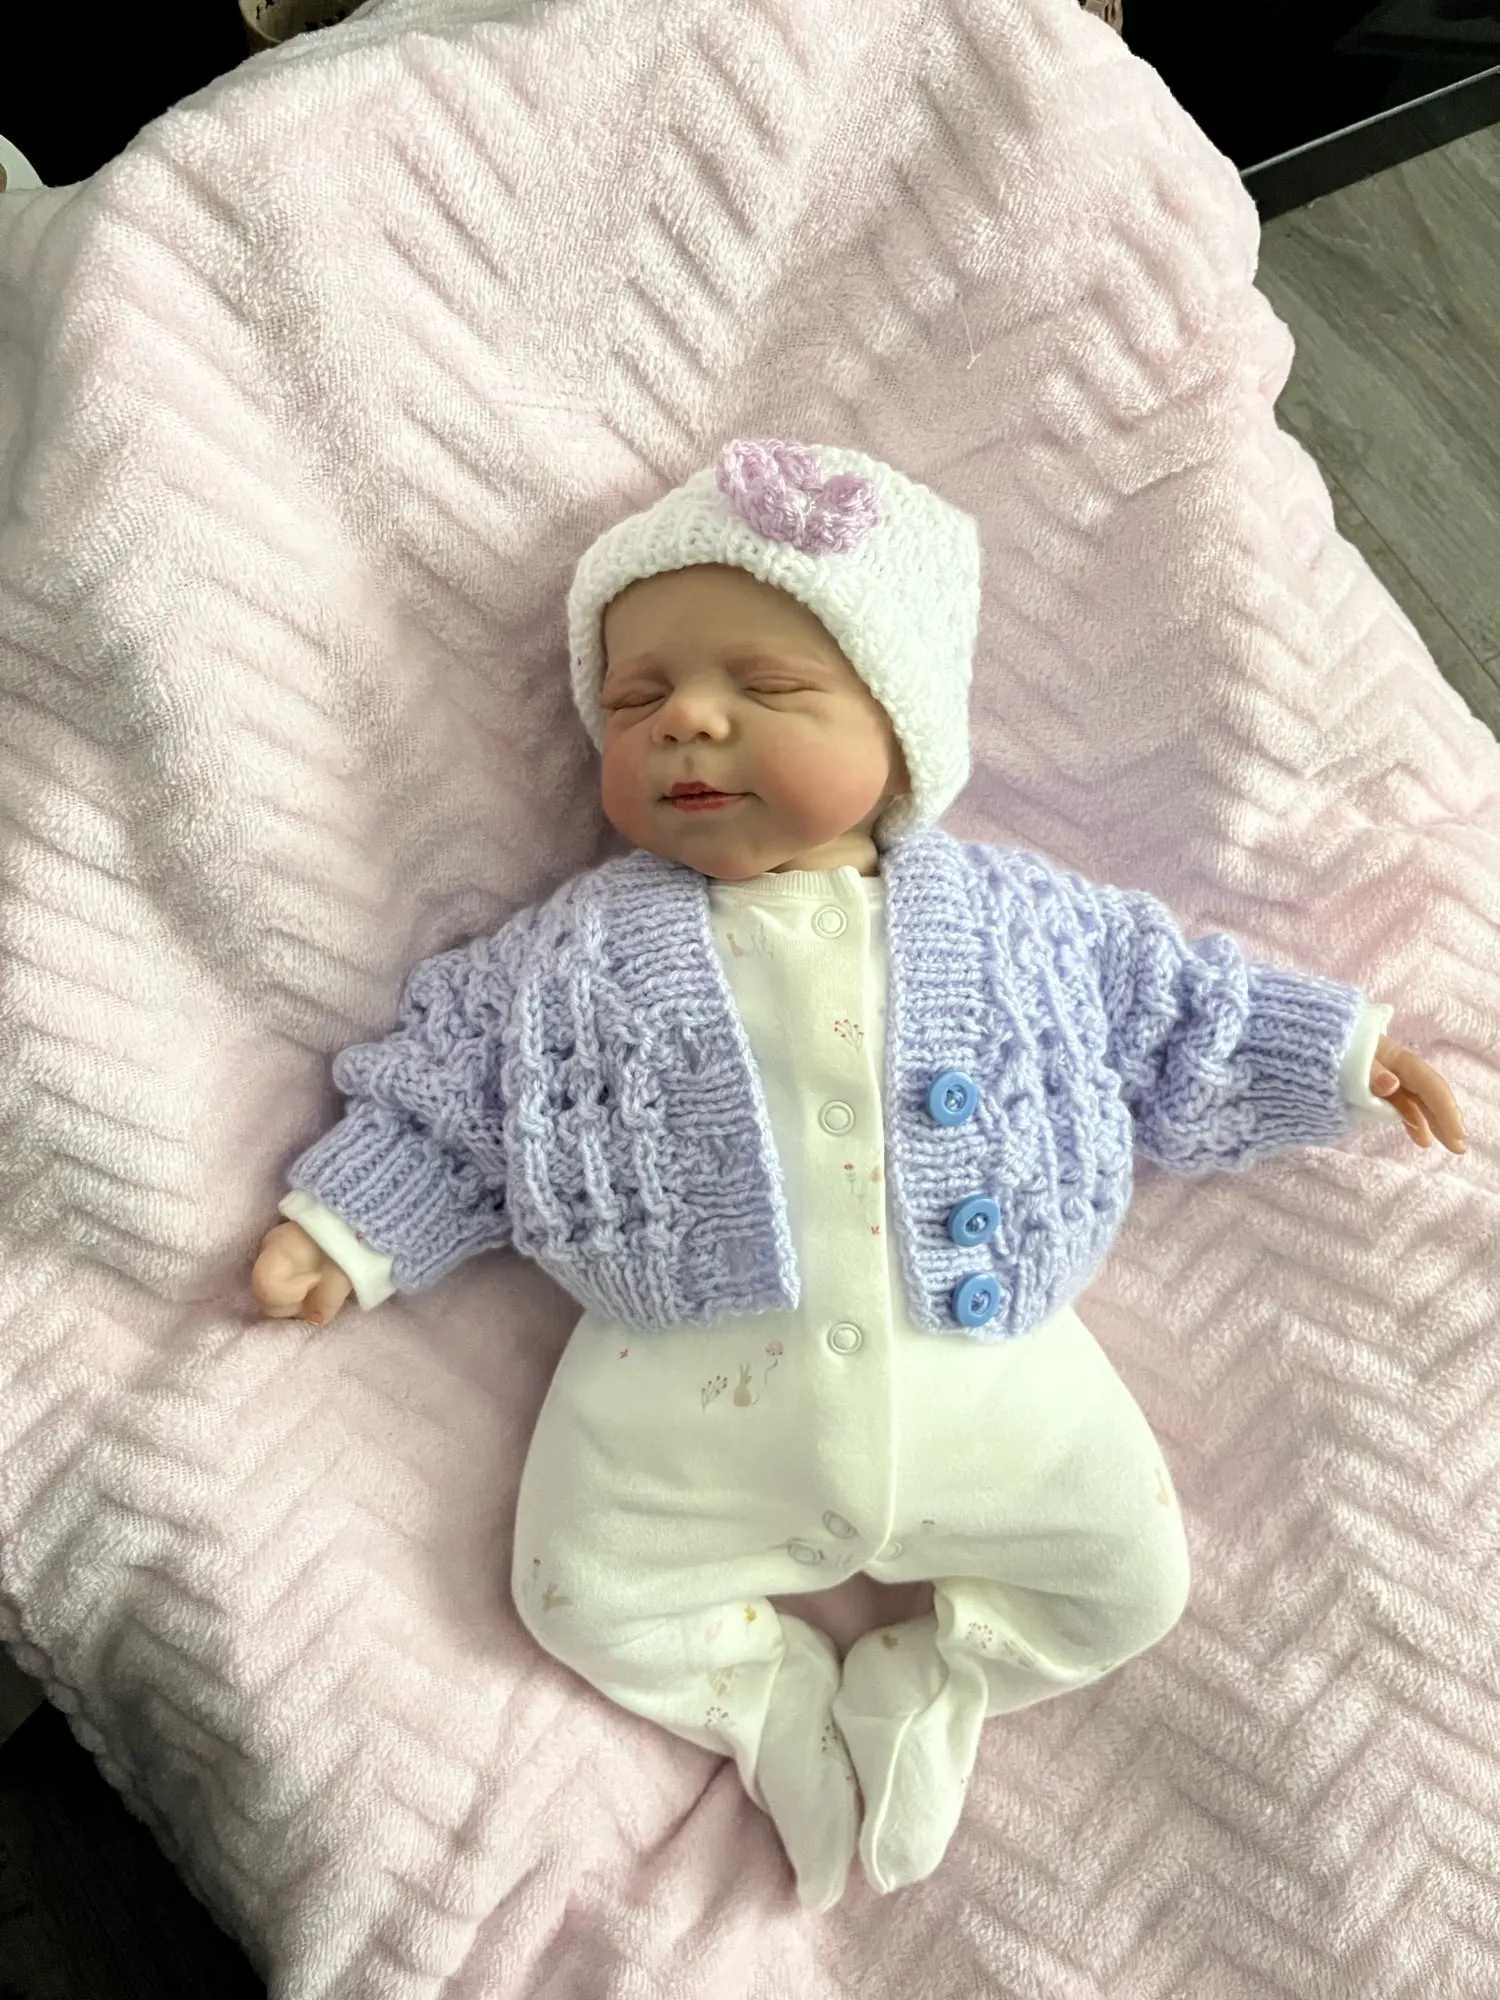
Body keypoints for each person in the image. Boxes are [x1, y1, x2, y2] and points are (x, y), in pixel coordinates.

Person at [250, 438, 1467, 1910]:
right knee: (574, 1594)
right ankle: (765, 1699)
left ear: (901, 727)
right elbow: (454, 1090)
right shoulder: (572, 952)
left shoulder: (1021, 922)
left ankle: (935, 1677)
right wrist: (348, 1222)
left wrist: (1338, 1057)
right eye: (636, 702)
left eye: (765, 687)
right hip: (676, 1404)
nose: (689, 721)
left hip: (996, 1377)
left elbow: (1172, 1011)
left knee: (1130, 1586)